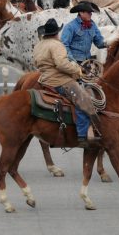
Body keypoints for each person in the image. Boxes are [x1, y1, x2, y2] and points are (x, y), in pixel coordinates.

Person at [33, 18, 99, 147]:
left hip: (44, 79)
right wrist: (78, 70)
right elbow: (62, 64)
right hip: (60, 81)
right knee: (83, 101)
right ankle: (82, 136)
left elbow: (36, 63)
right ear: (56, 33)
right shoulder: (57, 45)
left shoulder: (39, 45)